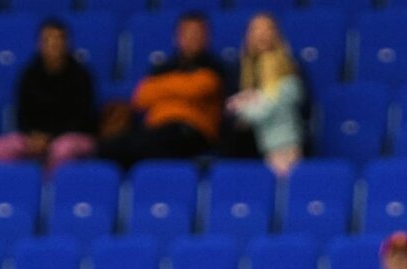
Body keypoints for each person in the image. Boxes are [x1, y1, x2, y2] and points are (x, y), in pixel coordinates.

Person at [97, 11, 224, 169]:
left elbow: (201, 87)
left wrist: (162, 88)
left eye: (197, 33)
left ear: (206, 37)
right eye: (187, 33)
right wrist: (183, 85)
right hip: (156, 129)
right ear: (177, 37)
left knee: (149, 148)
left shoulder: (215, 66)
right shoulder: (163, 66)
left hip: (192, 132)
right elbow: (142, 96)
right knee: (109, 147)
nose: (192, 38)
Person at [0, 18, 97, 172]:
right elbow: (22, 114)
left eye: (59, 39)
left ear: (67, 43)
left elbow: (83, 118)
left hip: (70, 137)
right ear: (39, 44)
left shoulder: (81, 75)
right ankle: (17, 190)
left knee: (61, 150)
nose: (54, 44)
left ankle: (51, 192)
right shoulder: (29, 74)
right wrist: (32, 136)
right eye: (48, 39)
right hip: (33, 138)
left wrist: (51, 136)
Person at [225, 11, 306, 177]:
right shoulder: (237, 68)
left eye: (267, 29)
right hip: (245, 145)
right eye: (256, 30)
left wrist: (243, 107)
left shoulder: (289, 69)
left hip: (281, 144)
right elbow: (229, 111)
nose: (262, 35)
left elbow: (301, 106)